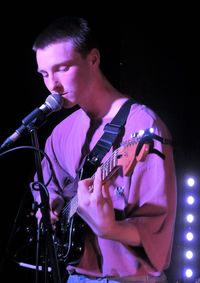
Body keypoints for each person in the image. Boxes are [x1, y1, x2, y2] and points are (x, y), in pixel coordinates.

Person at [31, 16, 177, 283]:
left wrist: (109, 228)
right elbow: (46, 188)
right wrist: (48, 208)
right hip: (75, 276)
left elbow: (157, 229)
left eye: (62, 69)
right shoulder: (60, 133)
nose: (52, 85)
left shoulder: (143, 126)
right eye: (44, 74)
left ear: (93, 59)